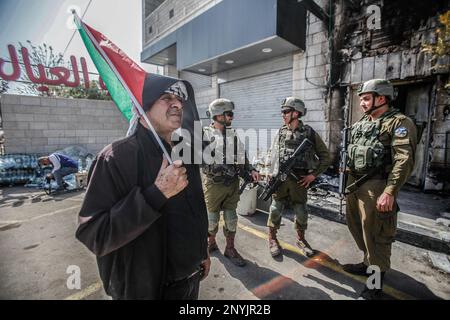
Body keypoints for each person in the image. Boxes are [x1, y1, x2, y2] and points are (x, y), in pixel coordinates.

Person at [75, 74, 210, 300]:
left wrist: (202, 252)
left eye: (181, 101)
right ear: (142, 106)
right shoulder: (116, 158)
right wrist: (155, 195)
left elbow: (194, 209)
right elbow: (94, 234)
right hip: (148, 291)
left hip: (191, 279)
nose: (177, 105)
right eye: (167, 98)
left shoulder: (184, 151)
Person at [343, 79, 417, 300]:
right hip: (355, 185)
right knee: (358, 228)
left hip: (377, 187)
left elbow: (403, 160)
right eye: (362, 99)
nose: (363, 103)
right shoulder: (361, 124)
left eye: (366, 98)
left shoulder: (399, 123)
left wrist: (390, 191)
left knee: (377, 235)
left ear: (381, 98)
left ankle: (375, 283)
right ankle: (367, 263)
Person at [267, 97, 331, 258]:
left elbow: (326, 157)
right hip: (280, 179)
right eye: (282, 111)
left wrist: (313, 175)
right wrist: (269, 171)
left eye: (286, 111)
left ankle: (301, 239)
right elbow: (272, 154)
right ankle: (272, 239)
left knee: (301, 211)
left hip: (299, 180)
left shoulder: (309, 133)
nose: (283, 114)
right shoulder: (280, 132)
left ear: (296, 113)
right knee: (275, 209)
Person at [202, 98, 259, 267]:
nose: (232, 117)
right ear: (218, 115)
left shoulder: (233, 134)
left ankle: (230, 248)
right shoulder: (204, 135)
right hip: (214, 185)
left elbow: (243, 156)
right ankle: (210, 244)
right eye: (229, 114)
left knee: (231, 217)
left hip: (232, 184)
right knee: (211, 220)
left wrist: (251, 169)